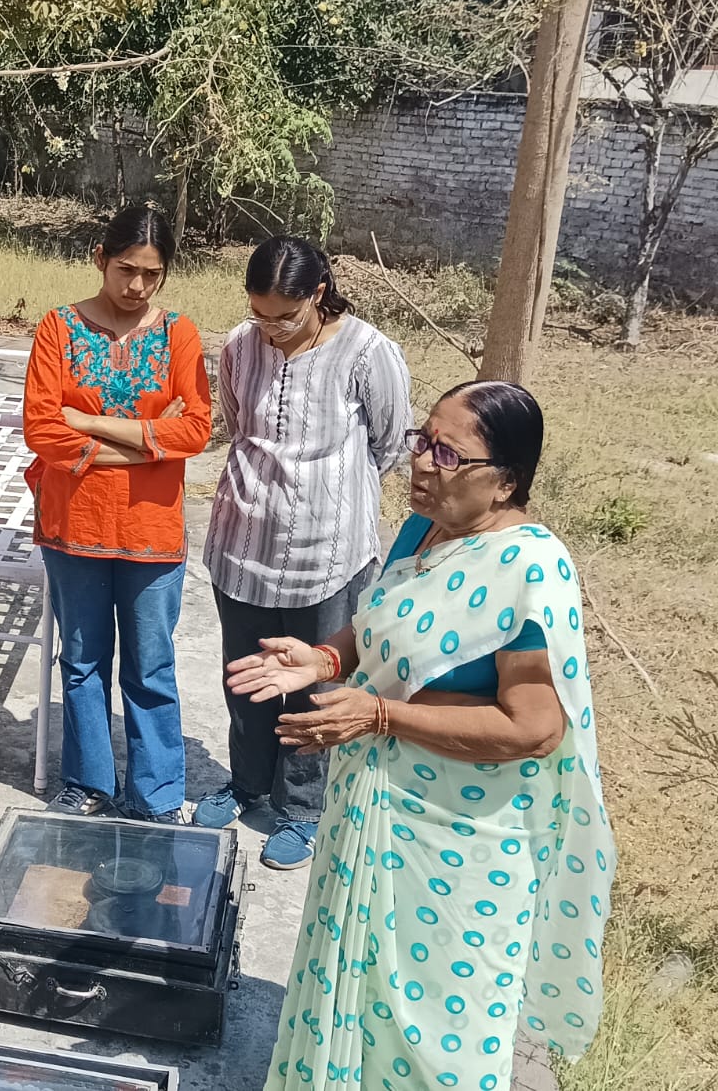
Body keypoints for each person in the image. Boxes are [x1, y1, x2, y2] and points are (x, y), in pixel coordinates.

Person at [229, 381, 615, 1091]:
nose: (423, 465)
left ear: (505, 484)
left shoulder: (530, 569)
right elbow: (383, 621)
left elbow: (533, 727)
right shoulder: (426, 525)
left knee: (442, 1032)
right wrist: (326, 659)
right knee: (357, 989)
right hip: (374, 815)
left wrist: (379, 716)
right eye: (421, 440)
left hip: (463, 850)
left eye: (448, 453)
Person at [197, 236, 413, 870]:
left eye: (283, 317)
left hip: (326, 559)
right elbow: (239, 425)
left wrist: (326, 495)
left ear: (318, 295)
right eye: (259, 314)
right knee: (248, 681)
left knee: (316, 688)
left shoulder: (368, 353)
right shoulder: (240, 344)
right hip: (242, 549)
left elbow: (390, 444)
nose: (269, 329)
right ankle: (246, 784)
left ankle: (301, 808)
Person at [22, 204, 213, 824]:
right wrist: (143, 444)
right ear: (99, 259)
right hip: (73, 524)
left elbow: (197, 429)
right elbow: (42, 429)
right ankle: (89, 782)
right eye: (126, 269)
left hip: (151, 533)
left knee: (150, 663)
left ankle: (156, 793)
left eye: (151, 275)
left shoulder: (178, 334)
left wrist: (94, 423)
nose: (136, 286)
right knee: (81, 660)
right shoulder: (57, 328)